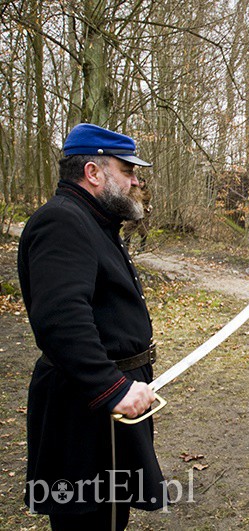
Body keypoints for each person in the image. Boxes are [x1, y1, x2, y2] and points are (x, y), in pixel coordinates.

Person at [18, 123, 165, 529]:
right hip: (82, 407)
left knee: (111, 515)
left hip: (106, 402)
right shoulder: (63, 221)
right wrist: (111, 388)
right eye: (128, 170)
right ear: (93, 172)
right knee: (86, 520)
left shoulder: (93, 221)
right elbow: (61, 320)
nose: (136, 180)